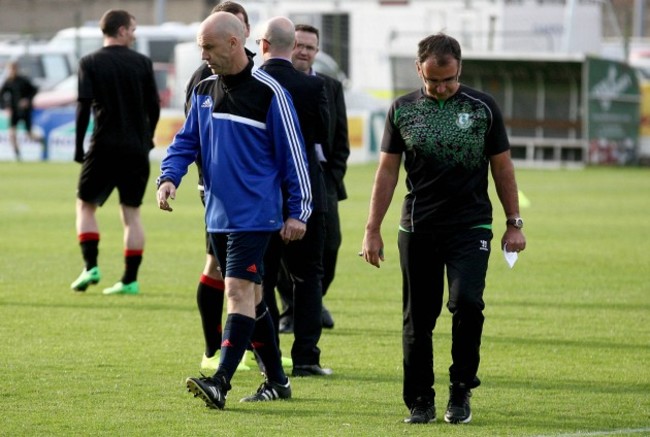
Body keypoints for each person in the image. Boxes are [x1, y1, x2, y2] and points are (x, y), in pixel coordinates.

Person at [361, 33, 526, 425]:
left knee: (467, 303)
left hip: (471, 226)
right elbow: (386, 172)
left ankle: (461, 390)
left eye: (449, 79)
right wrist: (372, 229)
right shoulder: (402, 110)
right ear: (419, 69)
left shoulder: (483, 108)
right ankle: (420, 400)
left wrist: (513, 222)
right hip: (417, 228)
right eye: (433, 80)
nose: (441, 88)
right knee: (418, 317)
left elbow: (502, 167)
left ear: (460, 69)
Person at [157, 12, 312, 409]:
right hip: (218, 214)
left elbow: (294, 157)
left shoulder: (269, 93)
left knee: (237, 291)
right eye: (200, 47)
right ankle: (277, 381)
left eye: (209, 46)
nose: (203, 54)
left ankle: (220, 381)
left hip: (255, 214)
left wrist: (299, 211)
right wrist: (169, 177)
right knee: (255, 299)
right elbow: (185, 142)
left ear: (233, 42)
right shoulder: (205, 90)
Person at [257, 17, 332, 377]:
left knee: (263, 278)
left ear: (263, 44)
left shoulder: (247, 86)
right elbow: (321, 140)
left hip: (261, 195)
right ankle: (306, 357)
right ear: (292, 46)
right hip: (305, 192)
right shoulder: (311, 89)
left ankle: (265, 357)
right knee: (308, 277)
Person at [182, 0, 254, 373]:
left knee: (247, 284)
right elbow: (190, 137)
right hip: (219, 198)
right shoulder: (204, 80)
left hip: (256, 202)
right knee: (227, 277)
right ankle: (216, 353)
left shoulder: (261, 83)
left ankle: (265, 365)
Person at [70, 9, 160, 295]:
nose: (134, 33)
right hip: (136, 147)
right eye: (132, 28)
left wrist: (78, 146)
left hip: (104, 146)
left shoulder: (90, 62)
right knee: (132, 213)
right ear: (120, 30)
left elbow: (83, 106)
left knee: (85, 205)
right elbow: (154, 107)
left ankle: (90, 266)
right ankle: (130, 280)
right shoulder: (143, 63)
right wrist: (148, 137)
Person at [277, 23, 350, 333]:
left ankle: (313, 301)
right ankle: (293, 309)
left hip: (322, 180)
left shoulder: (330, 86)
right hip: (286, 179)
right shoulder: (275, 85)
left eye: (310, 47)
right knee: (282, 248)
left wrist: (331, 180)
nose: (304, 51)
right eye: (298, 45)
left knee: (330, 244)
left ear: (317, 52)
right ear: (288, 46)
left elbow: (341, 140)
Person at [0, 61, 38, 161]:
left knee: (29, 134)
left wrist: (27, 100)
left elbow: (34, 90)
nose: (12, 71)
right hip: (14, 111)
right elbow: (1, 96)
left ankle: (41, 141)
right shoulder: (8, 82)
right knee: (12, 133)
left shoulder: (23, 80)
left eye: (14, 69)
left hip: (25, 111)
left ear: (17, 69)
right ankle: (17, 155)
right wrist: (5, 106)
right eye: (10, 69)